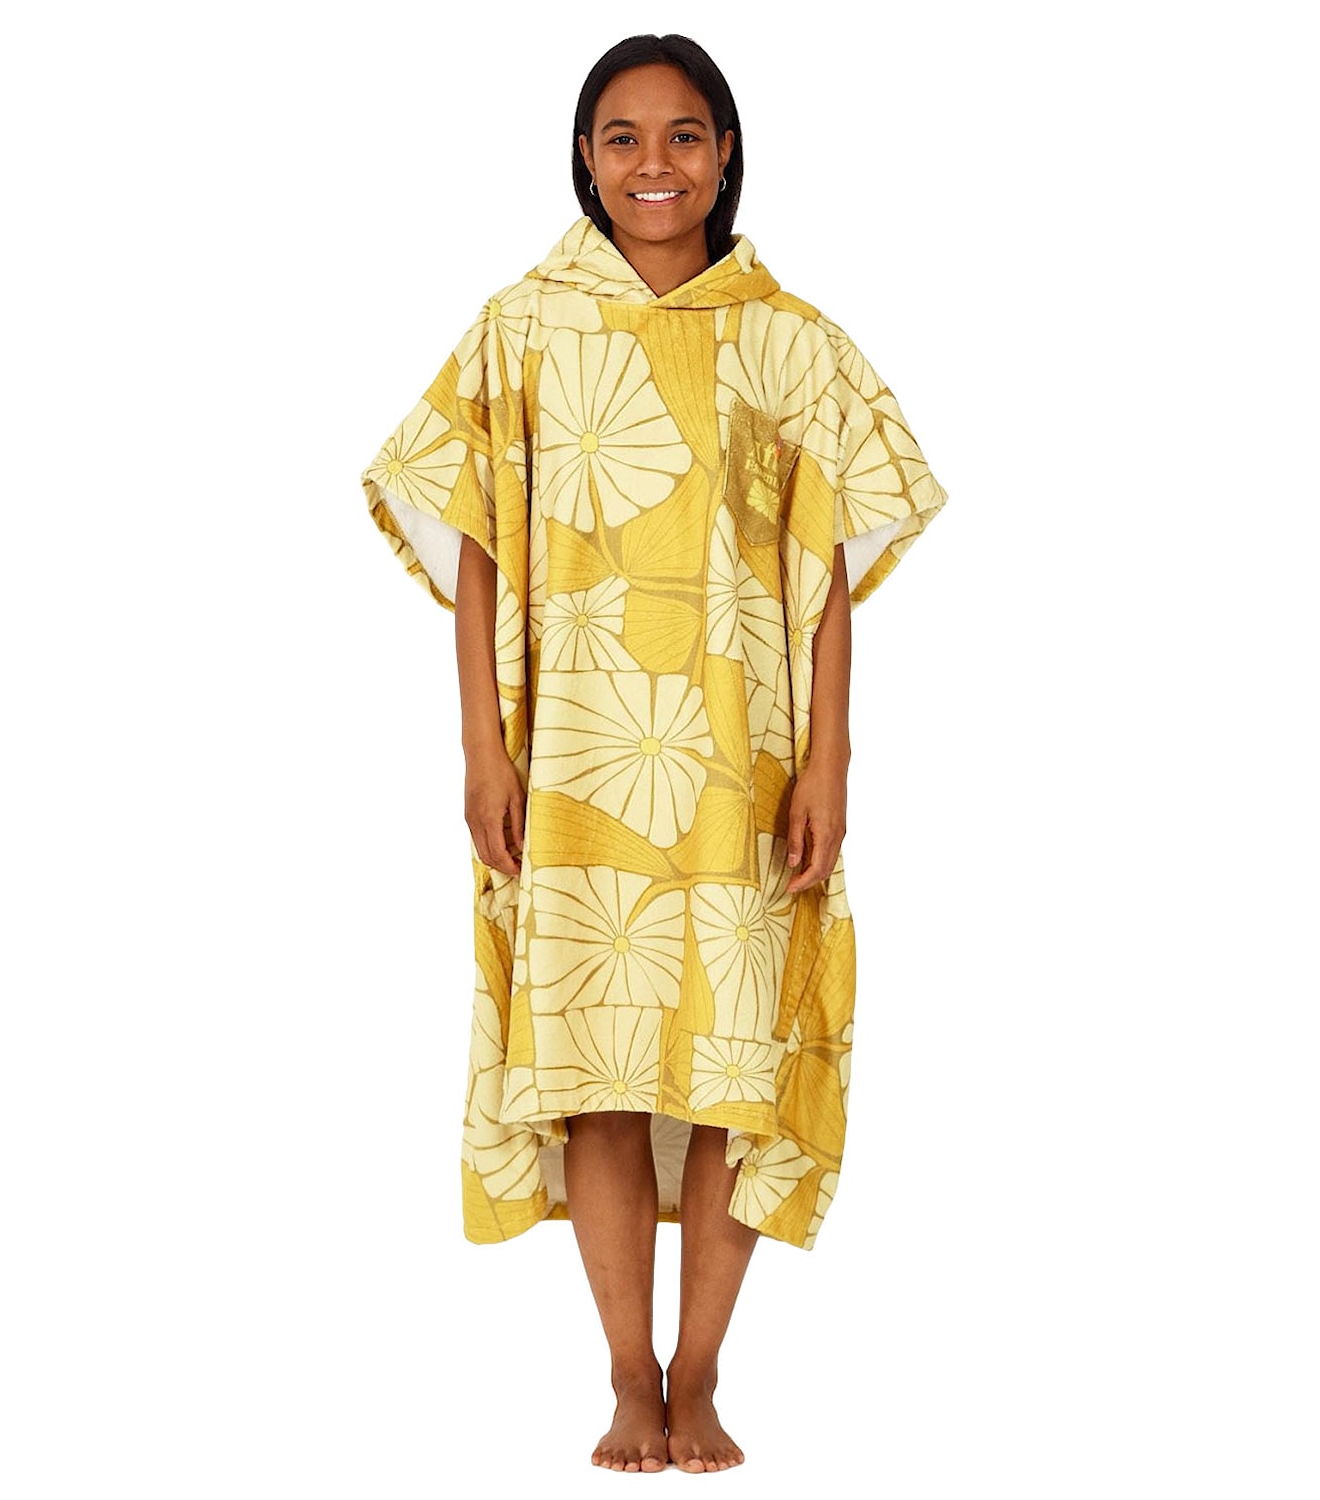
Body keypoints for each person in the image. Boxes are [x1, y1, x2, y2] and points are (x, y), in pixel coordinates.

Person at [361, 33, 948, 1474]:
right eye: (621, 138)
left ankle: (703, 1371)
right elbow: (476, 541)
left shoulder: (792, 340)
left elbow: (826, 571)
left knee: (735, 1067)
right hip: (576, 761)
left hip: (743, 762)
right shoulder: (522, 326)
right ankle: (628, 1376)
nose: (654, 165)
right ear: (585, 158)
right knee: (604, 1065)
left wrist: (831, 766)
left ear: (726, 153)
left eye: (684, 135)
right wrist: (482, 749)